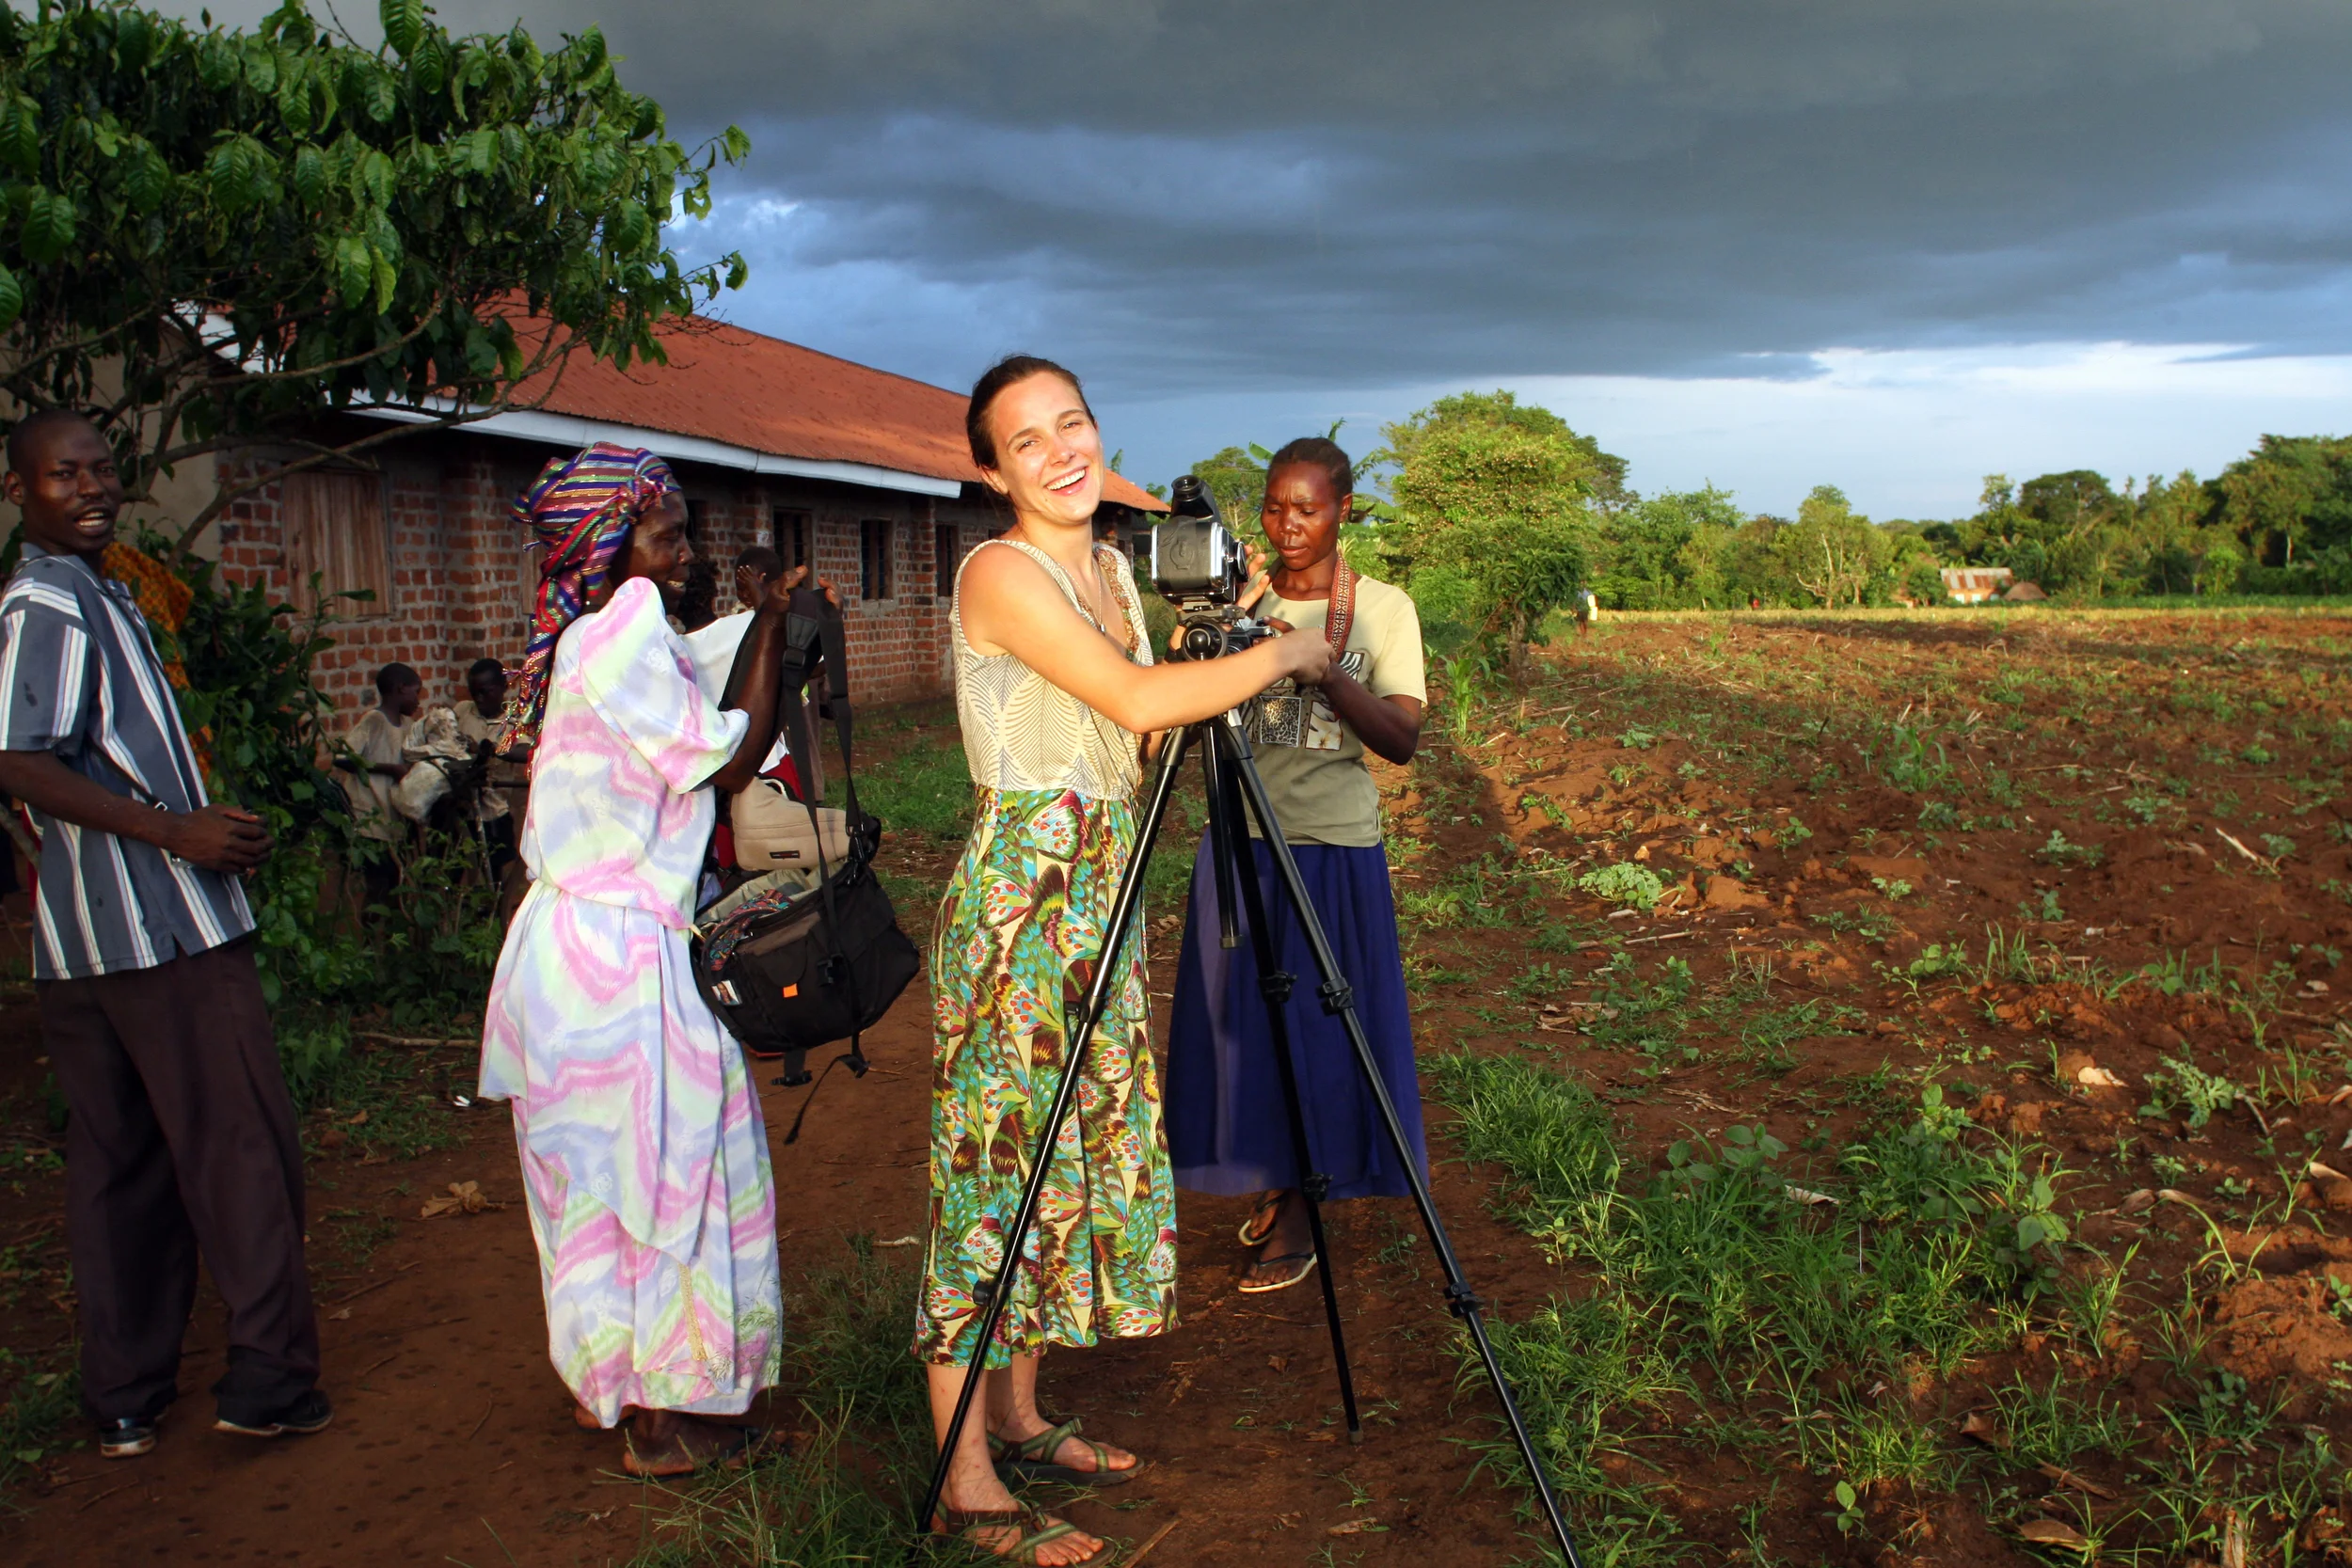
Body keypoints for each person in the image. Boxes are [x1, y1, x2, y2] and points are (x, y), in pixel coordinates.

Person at [921, 356, 1331, 1566]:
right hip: (1018, 914)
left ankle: (1022, 1412)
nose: (1061, 451)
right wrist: (1282, 654)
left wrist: (1231, 624)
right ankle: (966, 1478)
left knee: (1062, 1165)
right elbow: (1143, 702)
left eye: (1075, 424)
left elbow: (1145, 722)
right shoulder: (1000, 570)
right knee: (993, 1177)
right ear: (990, 470)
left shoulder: (1109, 564)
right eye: (1026, 439)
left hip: (1098, 895)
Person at [0, 409, 327, 1458]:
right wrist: (177, 830)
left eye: (102, 469)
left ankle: (127, 1395)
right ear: (21, 491)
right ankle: (270, 1376)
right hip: (160, 935)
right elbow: (18, 757)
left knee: (121, 1164)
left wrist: (201, 819)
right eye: (65, 475)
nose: (93, 488)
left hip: (88, 944)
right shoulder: (45, 598)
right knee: (240, 1145)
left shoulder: (99, 588)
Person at [477, 443, 807, 1478]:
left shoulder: (609, 634)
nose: (685, 548)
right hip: (620, 961)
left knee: (602, 1185)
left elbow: (712, 667)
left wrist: (756, 620)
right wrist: (778, 621)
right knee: (673, 1172)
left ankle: (612, 1382)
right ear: (611, 543)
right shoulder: (618, 634)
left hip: (574, 953)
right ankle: (670, 1418)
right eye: (665, 532)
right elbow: (732, 751)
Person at [1165, 437, 1432, 1294]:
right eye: (1275, 507)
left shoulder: (1384, 609)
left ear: (1344, 509)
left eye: (1307, 509)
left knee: (1321, 1032)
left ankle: (1304, 1210)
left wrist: (1313, 666)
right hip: (1239, 840)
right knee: (1240, 1027)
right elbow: (1180, 705)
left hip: (1333, 849)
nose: (1288, 526)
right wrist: (1214, 641)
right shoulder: (1240, 600)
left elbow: (1400, 738)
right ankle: (1276, 1177)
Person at [453, 657, 528, 879]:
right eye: (474, 693)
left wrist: (493, 749)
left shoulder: (515, 720)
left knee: (494, 869)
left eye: (485, 692)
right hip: (462, 804)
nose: (479, 699)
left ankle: (495, 908)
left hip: (494, 808)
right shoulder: (463, 711)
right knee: (458, 865)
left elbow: (526, 752)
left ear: (504, 688)